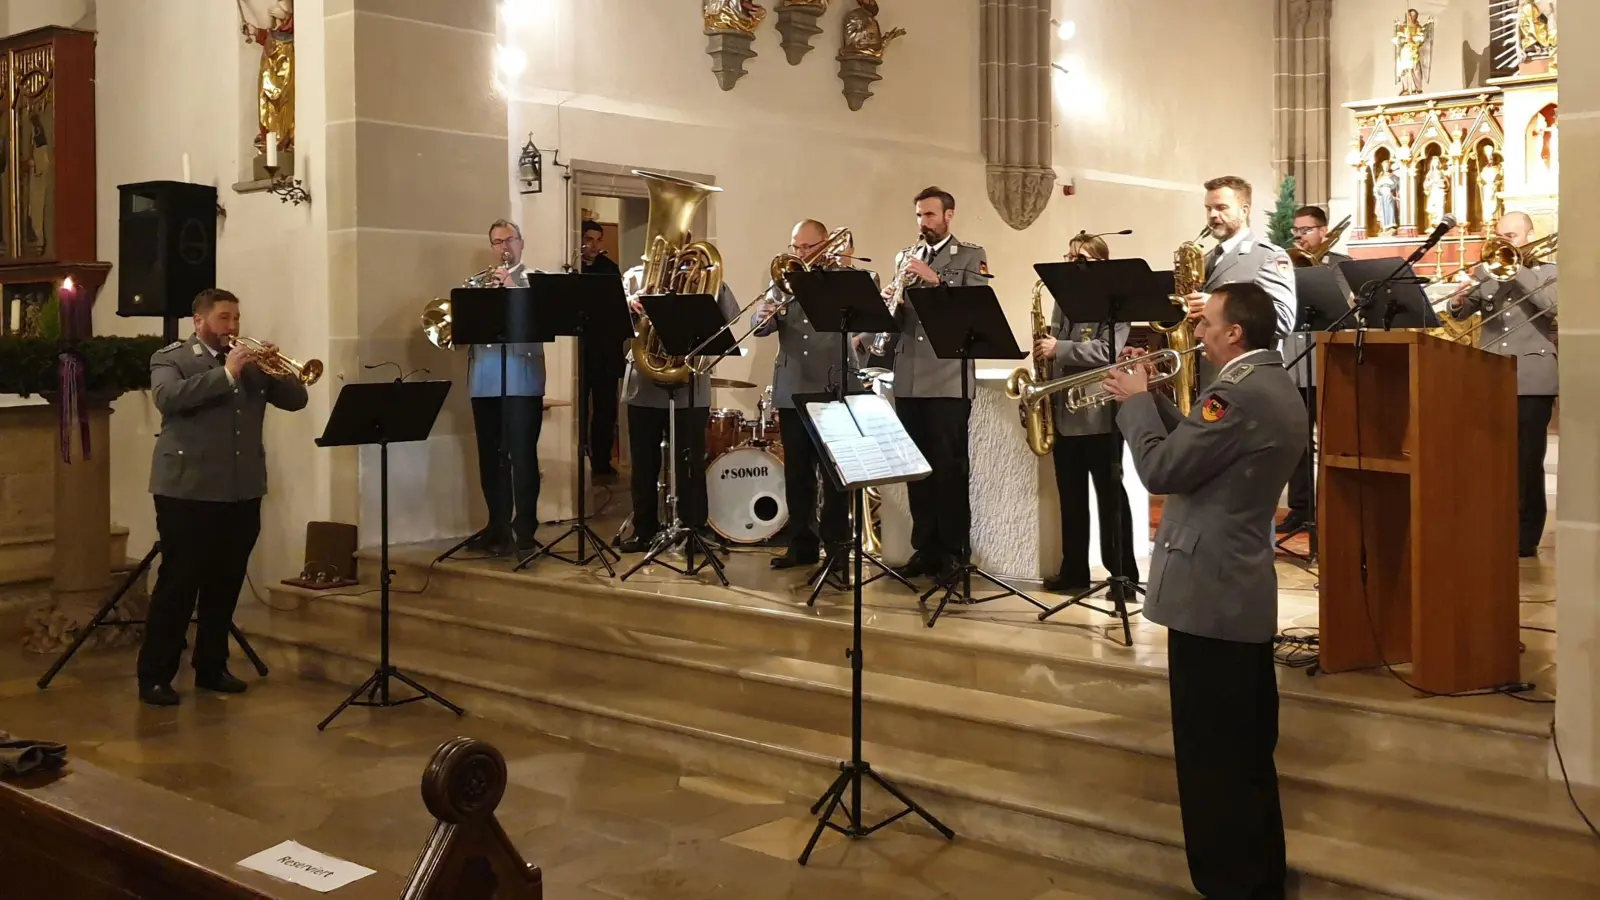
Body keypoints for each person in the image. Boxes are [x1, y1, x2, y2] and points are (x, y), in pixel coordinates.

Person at [1104, 281, 1307, 900]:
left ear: (1234, 333)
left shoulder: (1237, 394)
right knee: (1243, 750)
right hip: (1233, 589)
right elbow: (1201, 445)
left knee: (1211, 756)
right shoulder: (1268, 385)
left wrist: (1137, 405)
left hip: (1211, 595)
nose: (1196, 334)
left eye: (1206, 323)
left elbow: (1164, 470)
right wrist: (1157, 399)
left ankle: (1231, 883)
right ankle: (1256, 874)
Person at [137, 289, 308, 707]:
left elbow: (297, 400)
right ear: (199, 321)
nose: (232, 327)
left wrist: (278, 368)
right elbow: (167, 399)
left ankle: (211, 666)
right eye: (224, 319)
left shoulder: (250, 363)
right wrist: (226, 374)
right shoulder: (171, 358)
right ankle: (155, 675)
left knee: (226, 580)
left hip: (240, 488)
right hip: (187, 490)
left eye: (236, 319)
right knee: (179, 583)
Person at [879, 186, 988, 581]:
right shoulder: (903, 257)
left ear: (948, 216)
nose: (923, 223)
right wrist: (890, 301)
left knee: (949, 468)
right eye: (919, 216)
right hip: (908, 377)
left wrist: (936, 279)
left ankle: (956, 553)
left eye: (929, 215)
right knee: (917, 470)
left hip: (947, 378)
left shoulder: (970, 256)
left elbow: (976, 308)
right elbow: (897, 324)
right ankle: (924, 548)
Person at [1031, 232, 1138, 595]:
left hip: (1099, 413)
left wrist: (1058, 348)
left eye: (1084, 260)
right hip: (1064, 411)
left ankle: (1123, 574)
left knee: (1110, 499)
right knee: (1071, 500)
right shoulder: (1063, 301)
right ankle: (1073, 570)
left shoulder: (1117, 303)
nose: (1075, 264)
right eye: (1071, 257)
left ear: (1102, 265)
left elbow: (1106, 351)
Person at [1446, 211, 1557, 558]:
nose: (1505, 242)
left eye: (1512, 235)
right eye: (1500, 236)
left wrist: (1516, 270)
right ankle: (1493, 523)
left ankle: (1526, 535)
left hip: (1531, 377)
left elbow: (1553, 307)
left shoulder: (1546, 272)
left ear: (1528, 236)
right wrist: (1458, 299)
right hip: (1490, 374)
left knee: (1526, 460)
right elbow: (1463, 314)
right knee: (1490, 458)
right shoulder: (1488, 271)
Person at [753, 220, 861, 568]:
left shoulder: (841, 280)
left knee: (834, 475)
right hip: (791, 386)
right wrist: (765, 315)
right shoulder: (782, 281)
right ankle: (801, 545)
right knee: (797, 472)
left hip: (830, 385)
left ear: (823, 245)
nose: (797, 253)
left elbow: (860, 320)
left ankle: (837, 547)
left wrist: (838, 267)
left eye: (804, 246)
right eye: (794, 246)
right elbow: (760, 327)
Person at [619, 272, 742, 552]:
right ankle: (644, 530)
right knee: (643, 464)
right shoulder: (635, 277)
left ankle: (693, 529)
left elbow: (730, 318)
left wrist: (714, 285)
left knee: (690, 462)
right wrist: (628, 303)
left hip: (690, 383)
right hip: (644, 382)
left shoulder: (708, 276)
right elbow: (612, 323)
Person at [467, 219, 545, 556]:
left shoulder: (535, 281)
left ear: (521, 244)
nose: (504, 247)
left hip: (521, 382)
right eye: (497, 242)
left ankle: (524, 529)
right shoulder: (477, 285)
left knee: (522, 456)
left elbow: (542, 320)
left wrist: (511, 286)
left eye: (509, 240)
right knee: (490, 458)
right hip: (484, 380)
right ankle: (496, 525)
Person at [1181, 176, 1296, 391]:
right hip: (1203, 375)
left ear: (1244, 211)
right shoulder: (1204, 260)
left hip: (1246, 381)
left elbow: (1283, 321)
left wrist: (1219, 306)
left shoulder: (1268, 256)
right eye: (1209, 208)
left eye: (1222, 208)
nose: (1213, 215)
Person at [1279, 206, 1350, 537]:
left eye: (1306, 230)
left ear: (1324, 231)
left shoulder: (1341, 264)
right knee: (1296, 438)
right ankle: (1301, 508)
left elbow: (1341, 305)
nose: (1300, 236)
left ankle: (1336, 507)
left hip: (1329, 362)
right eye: (1296, 230)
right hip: (1295, 361)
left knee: (1335, 440)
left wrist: (1317, 267)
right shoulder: (1286, 263)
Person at [580, 219, 623, 476]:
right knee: (581, 410)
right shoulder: (574, 268)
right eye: (588, 239)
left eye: (598, 240)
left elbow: (617, 310)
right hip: (583, 350)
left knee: (606, 410)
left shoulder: (609, 269)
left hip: (607, 349)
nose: (594, 245)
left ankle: (602, 461)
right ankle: (582, 458)